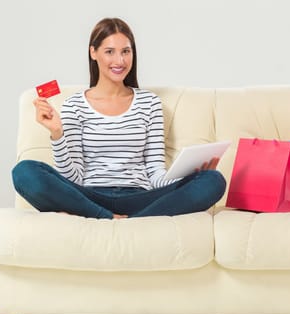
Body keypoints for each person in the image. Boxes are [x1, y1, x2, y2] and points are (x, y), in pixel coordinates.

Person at [12, 17, 226, 219]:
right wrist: (57, 133)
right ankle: (107, 217)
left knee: (212, 181)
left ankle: (126, 220)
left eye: (126, 51)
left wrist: (189, 177)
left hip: (141, 198)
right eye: (110, 52)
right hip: (89, 196)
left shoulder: (149, 103)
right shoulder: (74, 105)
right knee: (24, 172)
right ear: (93, 53)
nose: (120, 60)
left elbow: (155, 174)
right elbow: (73, 178)